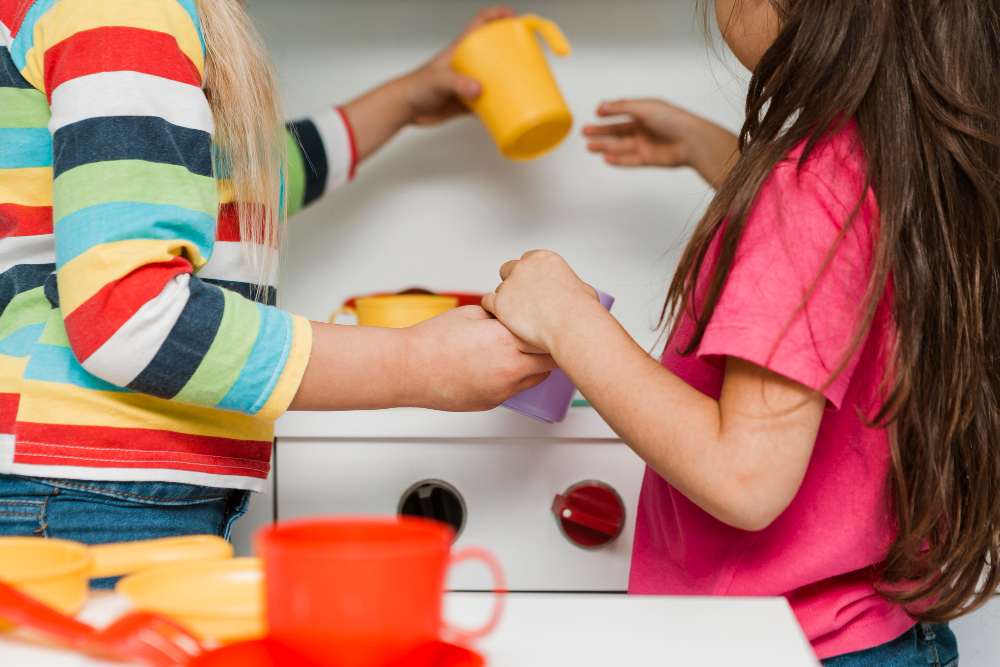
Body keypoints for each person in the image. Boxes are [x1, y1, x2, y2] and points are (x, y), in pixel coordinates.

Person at [482, 0, 1000, 664]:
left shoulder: (808, 190)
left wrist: (568, 319)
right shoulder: (906, 165)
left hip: (798, 645)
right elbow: (841, 256)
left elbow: (745, 476)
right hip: (884, 632)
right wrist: (710, 150)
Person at [0, 0, 552, 568]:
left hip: (86, 486)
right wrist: (424, 365)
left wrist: (404, 100)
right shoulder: (125, 10)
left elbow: (236, 185)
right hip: (88, 494)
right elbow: (134, 320)